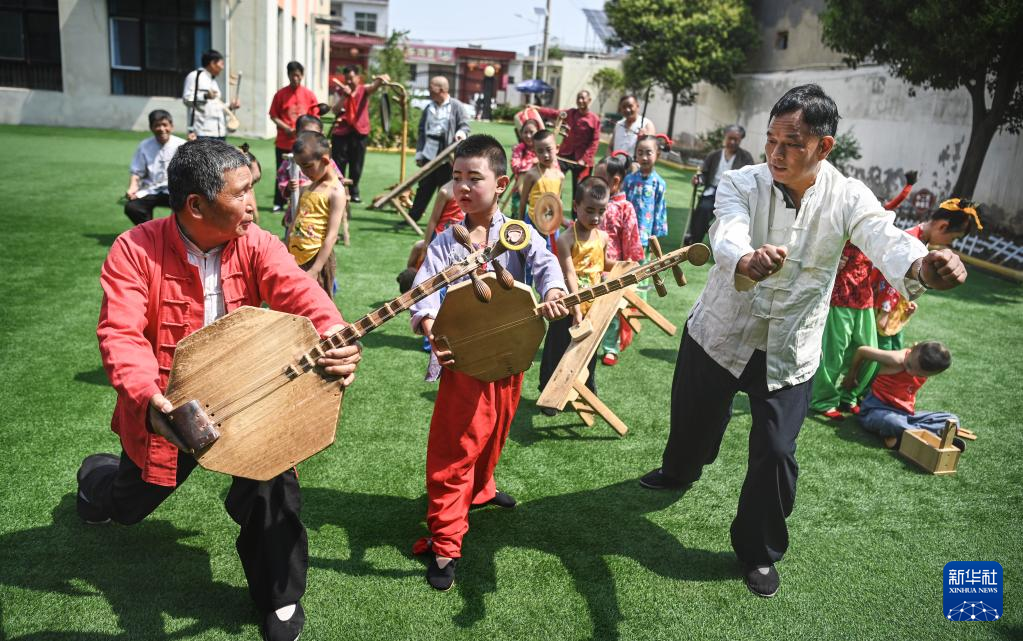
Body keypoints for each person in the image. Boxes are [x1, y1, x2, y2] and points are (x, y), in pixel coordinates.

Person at [638, 84, 967, 599]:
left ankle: (759, 551)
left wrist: (923, 265)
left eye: (791, 144)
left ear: (824, 147)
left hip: (790, 348)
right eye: (771, 141)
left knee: (775, 452)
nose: (775, 154)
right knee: (693, 425)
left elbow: (886, 237)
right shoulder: (742, 181)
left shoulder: (849, 196)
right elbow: (728, 229)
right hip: (721, 333)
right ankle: (680, 470)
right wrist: (743, 259)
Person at [76, 138, 362, 641]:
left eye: (252, 187)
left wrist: (334, 336)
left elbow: (302, 294)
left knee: (274, 485)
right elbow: (120, 333)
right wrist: (149, 397)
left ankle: (280, 597)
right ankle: (95, 481)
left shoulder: (257, 242)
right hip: (170, 409)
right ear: (196, 205)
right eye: (242, 192)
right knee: (129, 506)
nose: (254, 203)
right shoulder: (133, 249)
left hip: (249, 396)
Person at [408, 134, 569, 591]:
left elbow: (545, 264)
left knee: (497, 431)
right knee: (455, 450)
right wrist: (431, 330)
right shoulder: (444, 242)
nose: (461, 187)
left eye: (472, 178)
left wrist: (554, 290)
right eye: (456, 177)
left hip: (510, 356)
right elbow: (424, 296)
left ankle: (481, 489)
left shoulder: (515, 232)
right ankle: (445, 543)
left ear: (499, 183)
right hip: (463, 365)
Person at [809, 172, 921, 421]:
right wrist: (830, 259)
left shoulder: (871, 223)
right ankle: (822, 400)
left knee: (867, 352)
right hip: (840, 296)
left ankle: (849, 396)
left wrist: (908, 187)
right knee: (833, 353)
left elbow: (890, 209)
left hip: (864, 297)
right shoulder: (838, 219)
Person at [538, 177, 616, 412]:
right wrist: (575, 308)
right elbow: (569, 273)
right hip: (567, 304)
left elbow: (603, 264)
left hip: (593, 306)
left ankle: (587, 389)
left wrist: (623, 265)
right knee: (558, 348)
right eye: (590, 210)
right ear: (576, 206)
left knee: (588, 351)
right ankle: (548, 394)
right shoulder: (566, 239)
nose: (595, 217)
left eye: (601, 212)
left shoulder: (602, 238)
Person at [843, 341, 960, 450]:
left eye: (919, 374)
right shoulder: (896, 359)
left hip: (905, 416)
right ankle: (930, 436)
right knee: (892, 422)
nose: (910, 372)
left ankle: (903, 435)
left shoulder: (924, 364)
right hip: (875, 411)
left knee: (952, 420)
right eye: (909, 366)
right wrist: (851, 376)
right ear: (913, 347)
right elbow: (862, 351)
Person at [593, 154, 644, 366]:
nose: (594, 183)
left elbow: (631, 240)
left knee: (611, 312)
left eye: (599, 179)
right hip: (589, 265)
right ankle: (589, 342)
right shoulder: (593, 202)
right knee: (589, 308)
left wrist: (629, 267)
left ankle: (610, 348)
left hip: (612, 269)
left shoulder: (625, 208)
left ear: (615, 181)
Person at [287, 132, 346, 298]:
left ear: (325, 160)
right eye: (300, 166)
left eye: (307, 166)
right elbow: (295, 222)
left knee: (316, 305)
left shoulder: (336, 192)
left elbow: (332, 236)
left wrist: (315, 269)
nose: (304, 171)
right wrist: (286, 251)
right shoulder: (307, 187)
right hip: (296, 257)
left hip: (317, 259)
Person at [408, 76, 471, 223]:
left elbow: (465, 125)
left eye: (432, 87)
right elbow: (421, 130)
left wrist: (460, 133)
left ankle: (445, 220)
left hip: (447, 155)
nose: (429, 90)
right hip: (429, 153)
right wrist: (419, 153)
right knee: (424, 187)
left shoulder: (456, 106)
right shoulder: (428, 107)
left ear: (441, 89)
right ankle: (412, 217)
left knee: (447, 188)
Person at [277, 115, 345, 239]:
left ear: (321, 135)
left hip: (319, 219)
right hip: (295, 214)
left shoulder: (325, 161)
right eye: (304, 133)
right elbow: (282, 182)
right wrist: (288, 187)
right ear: (297, 134)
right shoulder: (290, 160)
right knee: (292, 245)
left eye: (313, 134)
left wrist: (317, 186)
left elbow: (338, 181)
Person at [684, 125, 755, 245]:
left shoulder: (746, 158)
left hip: (733, 196)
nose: (732, 142)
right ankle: (695, 241)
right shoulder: (714, 155)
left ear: (740, 140)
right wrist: (699, 179)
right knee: (703, 209)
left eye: (736, 139)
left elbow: (750, 178)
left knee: (733, 216)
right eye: (730, 138)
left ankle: (730, 244)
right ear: (725, 137)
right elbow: (704, 174)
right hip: (712, 192)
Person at [330, 67, 389, 203]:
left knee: (357, 164)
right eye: (347, 79)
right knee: (339, 163)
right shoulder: (340, 91)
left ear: (358, 77)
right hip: (341, 132)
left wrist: (381, 79)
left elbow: (374, 86)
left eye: (351, 78)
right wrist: (345, 96)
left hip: (359, 132)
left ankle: (354, 190)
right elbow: (335, 110)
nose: (349, 81)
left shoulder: (364, 90)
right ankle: (338, 190)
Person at [269, 61, 322, 212]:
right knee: (282, 171)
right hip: (284, 141)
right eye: (293, 76)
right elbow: (273, 115)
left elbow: (315, 117)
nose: (295, 79)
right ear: (288, 76)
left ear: (302, 76)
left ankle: (306, 199)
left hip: (304, 143)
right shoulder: (280, 94)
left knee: (306, 171)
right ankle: (279, 202)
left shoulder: (309, 95)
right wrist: (286, 128)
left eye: (298, 76)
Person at [123, 109, 186, 225]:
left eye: (165, 125)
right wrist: (132, 188)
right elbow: (137, 172)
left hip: (175, 190)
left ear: (171, 126)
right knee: (132, 207)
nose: (162, 129)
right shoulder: (144, 146)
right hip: (150, 189)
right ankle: (150, 230)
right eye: (157, 125)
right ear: (151, 127)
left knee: (185, 207)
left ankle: (175, 233)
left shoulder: (182, 145)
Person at [537, 90, 602, 201]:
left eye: (583, 98)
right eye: (578, 98)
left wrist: (585, 159)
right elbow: (554, 113)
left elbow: (595, 142)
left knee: (580, 190)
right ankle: (556, 208)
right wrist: (537, 109)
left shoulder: (594, 119)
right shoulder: (571, 113)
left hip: (582, 160)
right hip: (564, 155)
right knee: (554, 181)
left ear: (589, 100)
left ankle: (576, 217)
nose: (580, 100)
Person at [622, 135, 668, 265]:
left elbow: (660, 209)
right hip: (628, 229)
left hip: (645, 231)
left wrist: (656, 235)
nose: (644, 157)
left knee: (643, 261)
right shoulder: (629, 180)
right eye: (640, 153)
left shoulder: (658, 183)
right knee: (626, 260)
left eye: (649, 153)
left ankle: (642, 285)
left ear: (657, 154)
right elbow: (623, 204)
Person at [182, 50, 238, 141]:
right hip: (202, 133)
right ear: (212, 63)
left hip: (219, 133)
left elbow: (215, 107)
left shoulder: (213, 81)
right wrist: (204, 96)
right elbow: (187, 100)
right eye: (221, 64)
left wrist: (230, 106)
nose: (223, 68)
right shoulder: (194, 76)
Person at [518, 129, 564, 226]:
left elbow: (558, 201)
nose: (545, 155)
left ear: (557, 148)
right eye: (540, 151)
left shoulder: (560, 176)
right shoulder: (531, 175)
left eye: (548, 149)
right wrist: (521, 224)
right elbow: (523, 201)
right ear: (535, 153)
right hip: (532, 223)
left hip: (551, 223)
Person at [508, 117, 541, 216]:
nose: (528, 135)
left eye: (532, 132)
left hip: (539, 189)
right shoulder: (519, 149)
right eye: (525, 132)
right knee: (517, 211)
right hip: (520, 189)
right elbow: (515, 166)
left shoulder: (541, 148)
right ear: (521, 133)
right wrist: (533, 162)